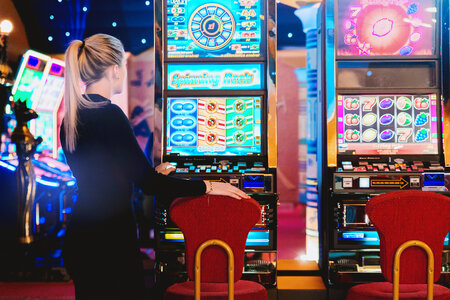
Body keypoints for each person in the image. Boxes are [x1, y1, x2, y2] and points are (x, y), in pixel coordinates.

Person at [61, 33, 249, 300]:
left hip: (83, 234)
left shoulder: (72, 117)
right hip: (109, 238)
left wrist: (149, 175)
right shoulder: (110, 115)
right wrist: (207, 186)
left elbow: (106, 177)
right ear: (115, 69)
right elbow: (148, 184)